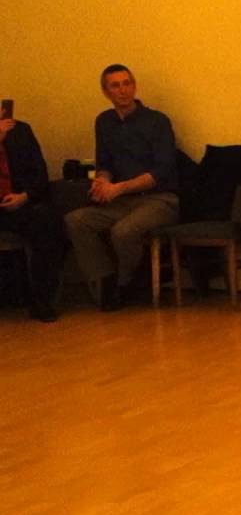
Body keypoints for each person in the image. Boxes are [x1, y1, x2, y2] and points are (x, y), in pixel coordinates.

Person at [65, 64, 179, 311]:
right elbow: (104, 163)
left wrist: (119, 188)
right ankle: (104, 278)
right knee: (76, 220)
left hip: (157, 198)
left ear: (134, 85)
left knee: (124, 231)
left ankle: (126, 281)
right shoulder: (104, 122)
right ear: (106, 92)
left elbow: (161, 171)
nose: (123, 90)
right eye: (115, 85)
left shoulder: (157, 121)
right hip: (120, 199)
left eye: (127, 83)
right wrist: (103, 181)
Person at [0, 115, 63, 322]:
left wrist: (25, 196)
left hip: (19, 201)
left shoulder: (21, 130)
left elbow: (39, 173)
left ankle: (42, 300)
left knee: (45, 219)